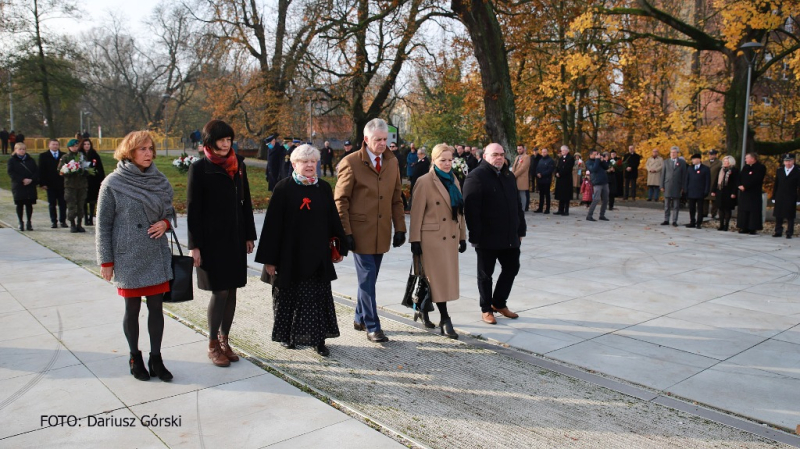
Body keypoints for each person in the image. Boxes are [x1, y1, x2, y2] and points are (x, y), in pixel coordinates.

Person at [96, 130, 175, 382]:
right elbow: (103, 224)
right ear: (129, 152)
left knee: (156, 308)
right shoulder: (112, 183)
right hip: (127, 255)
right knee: (132, 309)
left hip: (155, 253)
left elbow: (170, 212)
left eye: (150, 148)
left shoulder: (160, 180)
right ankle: (134, 356)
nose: (148, 153)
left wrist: (165, 223)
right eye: (143, 149)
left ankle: (156, 358)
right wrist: (106, 261)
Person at [256, 145, 347, 356]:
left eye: (313, 161)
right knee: (289, 297)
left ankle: (319, 340)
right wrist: (270, 259)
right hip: (289, 255)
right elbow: (271, 226)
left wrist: (340, 246)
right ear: (294, 164)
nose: (309, 165)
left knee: (317, 298)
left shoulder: (323, 187)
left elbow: (333, 218)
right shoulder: (283, 188)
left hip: (318, 255)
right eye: (304, 161)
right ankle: (288, 336)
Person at [187, 120, 258, 367]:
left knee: (232, 291)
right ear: (210, 142)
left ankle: (225, 340)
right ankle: (212, 344)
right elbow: (193, 210)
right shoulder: (199, 169)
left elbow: (245, 201)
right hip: (211, 240)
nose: (227, 144)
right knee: (220, 291)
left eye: (229, 140)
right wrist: (194, 245)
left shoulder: (238, 165)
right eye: (222, 140)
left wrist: (249, 235)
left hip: (235, 238)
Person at [334, 118, 406, 343]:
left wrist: (400, 228)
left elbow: (396, 197)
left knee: (370, 279)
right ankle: (373, 325)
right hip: (359, 232)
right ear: (366, 139)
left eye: (385, 139)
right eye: (378, 140)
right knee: (367, 277)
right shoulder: (351, 162)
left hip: (381, 231)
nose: (382, 144)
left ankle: (359, 317)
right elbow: (341, 200)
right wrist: (345, 232)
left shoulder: (392, 162)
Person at [463, 143, 525, 325]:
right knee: (485, 274)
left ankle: (499, 303)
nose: (499, 158)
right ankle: (486, 308)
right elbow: (471, 209)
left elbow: (517, 206)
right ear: (485, 156)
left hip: (509, 236)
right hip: (487, 237)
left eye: (501, 154)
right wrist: (474, 235)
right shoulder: (477, 176)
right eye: (494, 154)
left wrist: (521, 229)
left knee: (512, 268)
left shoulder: (509, 176)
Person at [409, 144, 466, 339]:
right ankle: (445, 319)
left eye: (450, 160)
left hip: (449, 237)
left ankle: (423, 309)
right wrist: (414, 239)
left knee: (438, 280)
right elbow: (416, 213)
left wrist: (463, 236)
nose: (447, 163)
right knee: (439, 280)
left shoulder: (454, 180)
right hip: (431, 238)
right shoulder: (424, 181)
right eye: (443, 160)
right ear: (434, 161)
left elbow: (460, 212)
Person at [57, 139, 89, 233]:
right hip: (70, 186)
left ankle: (79, 224)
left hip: (82, 185)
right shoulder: (65, 157)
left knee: (81, 205)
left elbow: (87, 168)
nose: (75, 148)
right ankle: (72, 224)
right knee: (71, 205)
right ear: (69, 147)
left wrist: (84, 171)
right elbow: (60, 171)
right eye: (73, 146)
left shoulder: (82, 157)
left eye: (76, 146)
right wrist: (69, 170)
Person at [7, 143, 39, 231]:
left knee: (29, 204)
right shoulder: (12, 161)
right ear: (15, 150)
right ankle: (20, 222)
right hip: (19, 185)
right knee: (20, 204)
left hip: (30, 185)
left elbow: (36, 171)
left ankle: (29, 222)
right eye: (20, 149)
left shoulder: (30, 160)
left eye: (24, 149)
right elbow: (11, 172)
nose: (22, 151)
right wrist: (22, 179)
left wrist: (31, 179)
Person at [39, 139, 67, 229]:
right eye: (53, 144)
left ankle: (63, 221)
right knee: (52, 204)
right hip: (50, 184)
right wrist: (42, 183)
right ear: (49, 145)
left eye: (56, 144)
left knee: (62, 203)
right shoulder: (43, 156)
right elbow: (41, 170)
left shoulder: (64, 155)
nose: (55, 146)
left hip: (61, 183)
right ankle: (54, 221)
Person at [737, 152, 766, 235]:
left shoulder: (760, 167)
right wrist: (739, 185)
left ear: (753, 159)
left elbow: (756, 179)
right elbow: (739, 177)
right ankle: (743, 227)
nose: (745, 160)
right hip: (744, 193)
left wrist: (745, 186)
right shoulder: (745, 167)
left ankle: (753, 228)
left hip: (753, 193)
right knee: (743, 210)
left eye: (747, 158)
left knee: (753, 211)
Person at [771, 153, 799, 239]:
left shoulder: (797, 171)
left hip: (791, 195)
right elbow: (776, 184)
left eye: (790, 161)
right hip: (780, 195)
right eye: (786, 161)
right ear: (784, 162)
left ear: (793, 161)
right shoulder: (779, 170)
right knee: (778, 214)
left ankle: (789, 232)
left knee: (790, 215)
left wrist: (799, 198)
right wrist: (774, 196)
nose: (788, 163)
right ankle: (778, 231)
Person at [660, 146, 687, 227]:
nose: (673, 154)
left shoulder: (682, 163)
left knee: (676, 205)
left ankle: (674, 221)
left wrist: (683, 187)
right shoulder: (666, 162)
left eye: (674, 153)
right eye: (671, 152)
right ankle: (666, 219)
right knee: (667, 204)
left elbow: (684, 175)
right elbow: (663, 174)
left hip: (677, 186)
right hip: (667, 185)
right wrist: (661, 185)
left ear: (677, 153)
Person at [711, 155, 738, 231]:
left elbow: (735, 183)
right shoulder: (721, 170)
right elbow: (716, 181)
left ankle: (726, 225)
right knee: (720, 208)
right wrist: (713, 190)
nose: (725, 163)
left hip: (728, 192)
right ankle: (721, 224)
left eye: (727, 161)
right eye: (724, 161)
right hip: (720, 191)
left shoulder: (734, 170)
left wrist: (734, 193)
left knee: (727, 209)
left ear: (730, 162)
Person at [684, 153, 711, 229]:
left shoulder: (705, 169)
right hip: (691, 191)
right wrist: (685, 189)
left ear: (698, 159)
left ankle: (699, 223)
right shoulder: (690, 168)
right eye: (692, 159)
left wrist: (706, 190)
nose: (692, 161)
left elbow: (707, 181)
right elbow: (687, 179)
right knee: (691, 208)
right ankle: (692, 221)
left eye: (694, 159)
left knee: (700, 208)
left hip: (700, 191)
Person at [82, 139, 105, 226]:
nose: (87, 146)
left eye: (88, 144)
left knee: (92, 201)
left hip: (93, 181)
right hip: (83, 181)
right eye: (85, 144)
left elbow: (100, 168)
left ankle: (91, 217)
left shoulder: (94, 155)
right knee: (84, 200)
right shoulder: (80, 155)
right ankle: (85, 218)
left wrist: (101, 179)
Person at [585, 150, 610, 222]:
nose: (597, 155)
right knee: (596, 199)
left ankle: (602, 215)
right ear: (591, 155)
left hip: (604, 181)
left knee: (605, 199)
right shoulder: (588, 162)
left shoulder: (599, 161)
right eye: (595, 154)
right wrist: (597, 160)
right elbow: (594, 169)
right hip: (597, 182)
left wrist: (602, 161)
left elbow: (606, 167)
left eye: (597, 154)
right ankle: (589, 215)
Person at [554, 145, 575, 216]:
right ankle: (560, 210)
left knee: (566, 196)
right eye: (561, 150)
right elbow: (557, 166)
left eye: (563, 150)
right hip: (560, 179)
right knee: (560, 195)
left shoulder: (571, 158)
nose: (562, 152)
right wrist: (556, 172)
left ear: (567, 151)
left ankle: (566, 210)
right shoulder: (560, 158)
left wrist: (560, 173)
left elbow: (568, 168)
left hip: (566, 179)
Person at [703, 150, 723, 219]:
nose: (711, 156)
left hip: (714, 182)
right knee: (705, 199)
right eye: (710, 154)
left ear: (715, 155)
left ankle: (713, 213)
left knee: (714, 200)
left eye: (712, 154)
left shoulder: (719, 163)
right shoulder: (705, 162)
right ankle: (704, 212)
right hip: (705, 183)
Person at [534, 148, 554, 213]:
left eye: (545, 152)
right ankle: (540, 208)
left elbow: (550, 170)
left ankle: (547, 209)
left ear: (547, 152)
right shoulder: (540, 160)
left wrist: (542, 174)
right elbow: (537, 168)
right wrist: (537, 173)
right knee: (541, 195)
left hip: (546, 180)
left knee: (547, 194)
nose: (543, 153)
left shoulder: (550, 160)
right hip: (540, 180)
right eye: (542, 152)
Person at [512, 144, 530, 212]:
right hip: (515, 178)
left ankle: (522, 209)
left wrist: (514, 175)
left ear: (523, 149)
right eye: (518, 149)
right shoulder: (517, 157)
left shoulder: (526, 157)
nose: (519, 150)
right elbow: (514, 166)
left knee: (522, 194)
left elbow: (523, 168)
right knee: (516, 194)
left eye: (520, 149)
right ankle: (517, 208)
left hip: (522, 178)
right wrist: (512, 173)